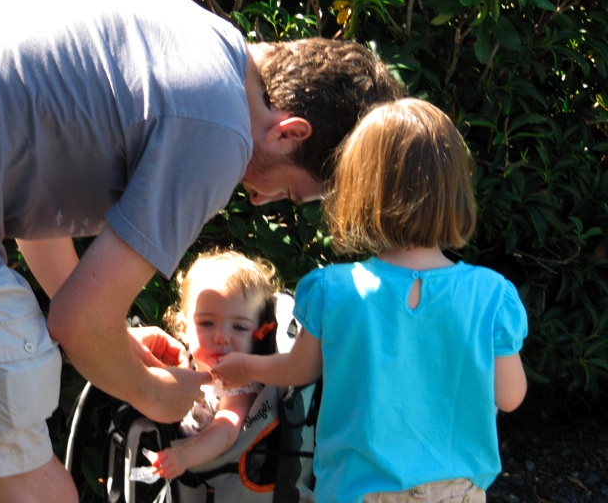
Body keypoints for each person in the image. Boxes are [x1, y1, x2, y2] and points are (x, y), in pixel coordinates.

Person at [0, 0, 403, 503]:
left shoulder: (192, 35)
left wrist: (114, 337)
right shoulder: (218, 128)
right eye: (292, 191)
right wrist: (154, 394)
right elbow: (75, 324)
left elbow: (34, 214)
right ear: (289, 133)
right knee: (26, 472)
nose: (264, 201)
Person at [213, 98, 529, 502]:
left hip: (356, 491)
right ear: (454, 190)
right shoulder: (490, 294)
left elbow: (298, 369)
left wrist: (242, 366)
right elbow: (510, 396)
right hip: (456, 492)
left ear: (361, 189)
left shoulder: (334, 289)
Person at [145, 249, 280, 479]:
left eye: (239, 327)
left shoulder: (239, 383)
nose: (221, 338)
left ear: (257, 336)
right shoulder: (185, 362)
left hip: (216, 483)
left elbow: (226, 429)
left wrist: (185, 455)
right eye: (207, 323)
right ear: (185, 328)